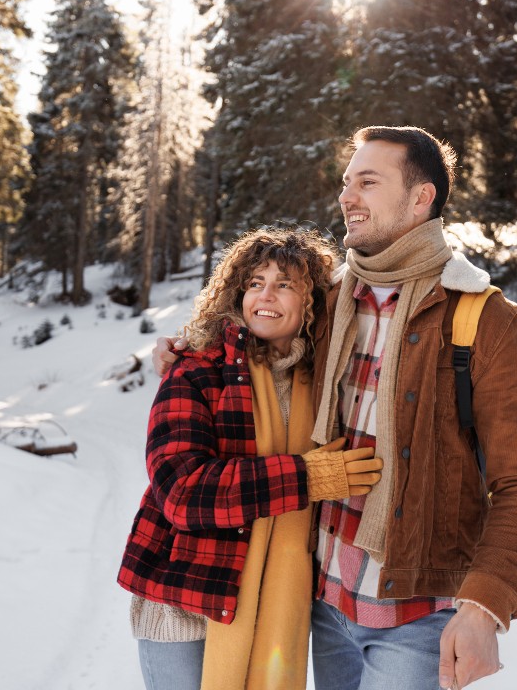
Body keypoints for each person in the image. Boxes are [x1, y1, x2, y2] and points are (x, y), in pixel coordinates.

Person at [154, 126, 517, 690]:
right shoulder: (330, 301)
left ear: (422, 198)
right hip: (322, 602)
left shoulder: (484, 319)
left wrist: (484, 606)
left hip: (416, 613)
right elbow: (258, 333)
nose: (347, 196)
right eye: (347, 183)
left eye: (368, 182)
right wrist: (189, 348)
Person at [119, 227, 383, 690]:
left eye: (285, 284)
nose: (266, 295)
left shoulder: (323, 380)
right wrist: (306, 477)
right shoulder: (199, 368)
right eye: (255, 283)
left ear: (311, 301)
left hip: (277, 601)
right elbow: (182, 492)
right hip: (187, 599)